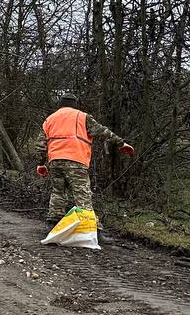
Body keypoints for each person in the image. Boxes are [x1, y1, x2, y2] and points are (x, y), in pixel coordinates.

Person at [35, 92, 134, 222]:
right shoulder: (82, 117)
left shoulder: (50, 119)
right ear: (75, 105)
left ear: (60, 104)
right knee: (82, 194)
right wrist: (121, 143)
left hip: (55, 161)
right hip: (76, 160)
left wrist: (41, 163)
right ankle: (92, 229)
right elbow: (102, 131)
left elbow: (40, 145)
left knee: (58, 193)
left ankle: (53, 224)